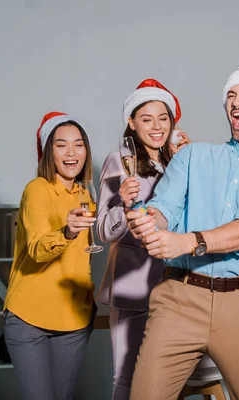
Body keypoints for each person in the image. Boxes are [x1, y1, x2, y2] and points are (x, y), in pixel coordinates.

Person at [126, 65, 239, 400]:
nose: (235, 101)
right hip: (178, 300)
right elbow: (163, 209)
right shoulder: (192, 156)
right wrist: (148, 221)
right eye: (231, 95)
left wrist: (187, 241)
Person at [96, 78, 190, 400]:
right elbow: (102, 231)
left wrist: (190, 162)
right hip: (134, 287)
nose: (156, 126)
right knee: (126, 378)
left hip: (175, 287)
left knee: (165, 382)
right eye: (147, 119)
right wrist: (122, 203)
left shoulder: (177, 161)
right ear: (131, 123)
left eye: (163, 118)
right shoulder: (117, 161)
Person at [3, 111, 97, 400]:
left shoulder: (85, 194)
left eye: (79, 144)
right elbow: (37, 249)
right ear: (48, 152)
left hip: (74, 320)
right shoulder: (37, 190)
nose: (72, 153)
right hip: (30, 318)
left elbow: (85, 255)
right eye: (61, 145)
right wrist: (67, 232)